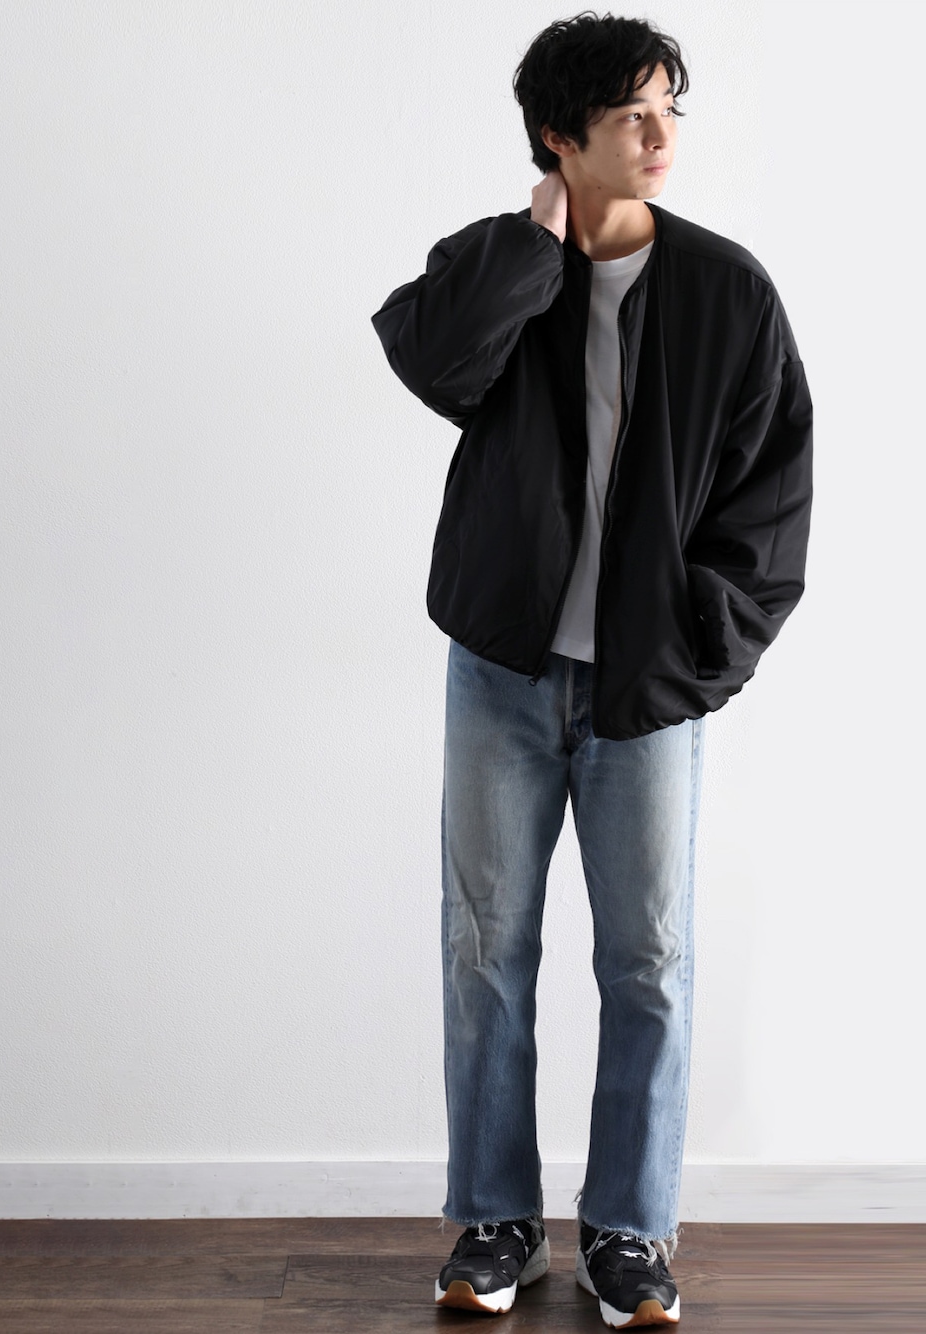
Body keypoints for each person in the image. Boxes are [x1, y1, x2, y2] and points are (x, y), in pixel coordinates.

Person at [370, 10, 812, 1328]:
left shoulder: (728, 291)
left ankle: (630, 1230)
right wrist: (531, 245)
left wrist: (696, 651)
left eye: (671, 107)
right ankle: (495, 1222)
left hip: (644, 691)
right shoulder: (499, 268)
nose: (661, 133)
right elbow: (434, 363)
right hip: (501, 674)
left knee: (650, 962)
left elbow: (773, 493)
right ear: (561, 136)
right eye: (630, 114)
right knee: (483, 953)